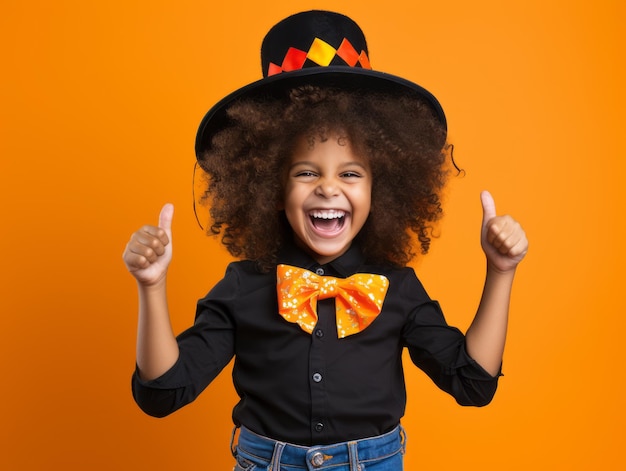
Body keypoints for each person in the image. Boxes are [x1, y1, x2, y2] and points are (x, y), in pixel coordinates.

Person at [123, 10, 528, 471]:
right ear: (272, 190)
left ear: (381, 190)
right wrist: (151, 287)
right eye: (306, 172)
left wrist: (500, 272)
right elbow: (162, 393)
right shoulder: (242, 286)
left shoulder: (397, 288)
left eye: (351, 173)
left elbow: (472, 385)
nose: (329, 188)